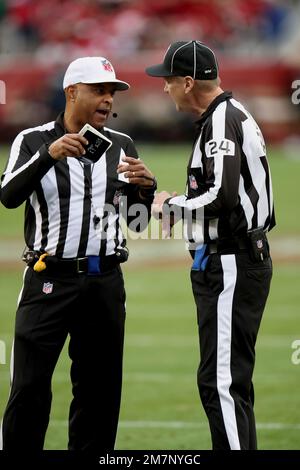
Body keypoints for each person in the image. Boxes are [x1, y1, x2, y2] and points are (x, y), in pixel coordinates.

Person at [0, 56, 156, 451]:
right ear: (72, 92)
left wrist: (145, 189)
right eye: (99, 91)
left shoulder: (121, 145)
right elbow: (8, 196)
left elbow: (135, 223)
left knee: (99, 392)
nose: (108, 99)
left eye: (112, 93)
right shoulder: (33, 139)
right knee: (30, 387)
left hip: (104, 280)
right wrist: (49, 155)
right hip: (49, 277)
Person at [145, 40, 275, 450]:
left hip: (232, 261)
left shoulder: (222, 119)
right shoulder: (230, 115)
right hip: (235, 259)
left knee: (221, 384)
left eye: (168, 80)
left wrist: (171, 204)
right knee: (230, 383)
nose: (164, 88)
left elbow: (222, 196)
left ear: (188, 82)